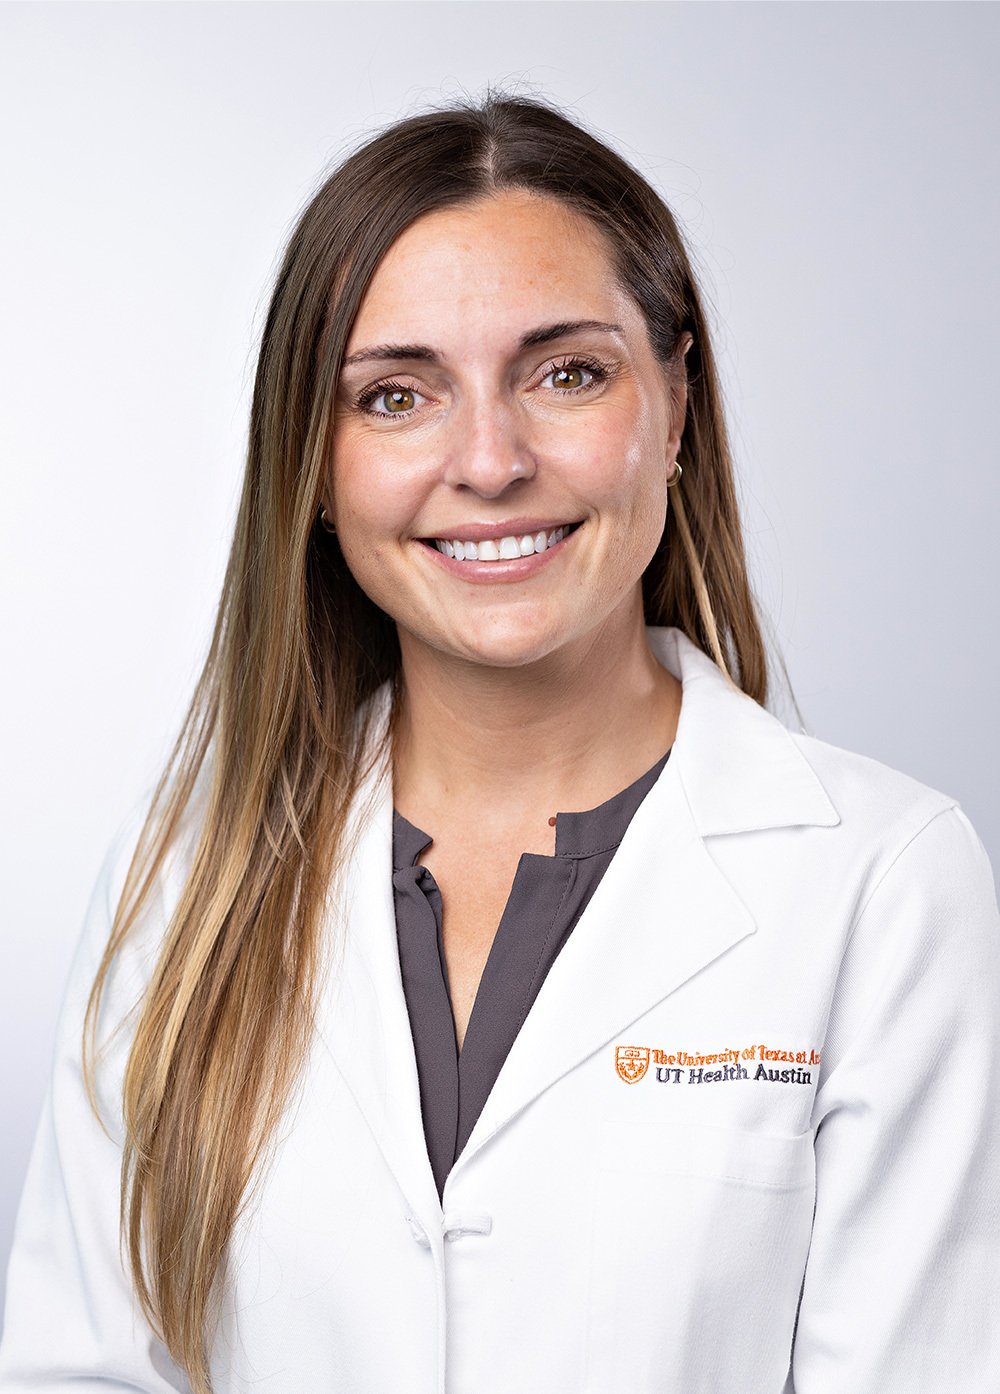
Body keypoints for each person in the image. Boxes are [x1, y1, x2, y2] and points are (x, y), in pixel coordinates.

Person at [1, 94, 997, 1394]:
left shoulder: (882, 883)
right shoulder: (188, 879)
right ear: (314, 461)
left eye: (565, 373)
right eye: (396, 395)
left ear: (676, 404)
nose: (488, 460)